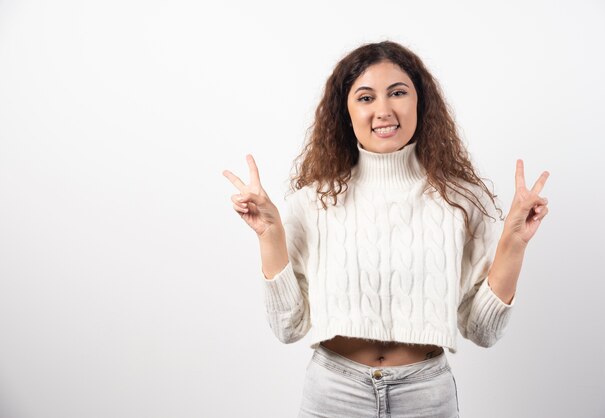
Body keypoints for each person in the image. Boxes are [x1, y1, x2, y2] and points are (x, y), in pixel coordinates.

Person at [223, 41, 549, 418]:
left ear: (420, 103)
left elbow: (483, 331)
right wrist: (270, 235)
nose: (383, 110)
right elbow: (287, 327)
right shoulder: (314, 201)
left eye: (397, 92)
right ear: (345, 112)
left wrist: (513, 243)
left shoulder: (461, 200)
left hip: (426, 394)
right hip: (334, 394)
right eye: (365, 97)